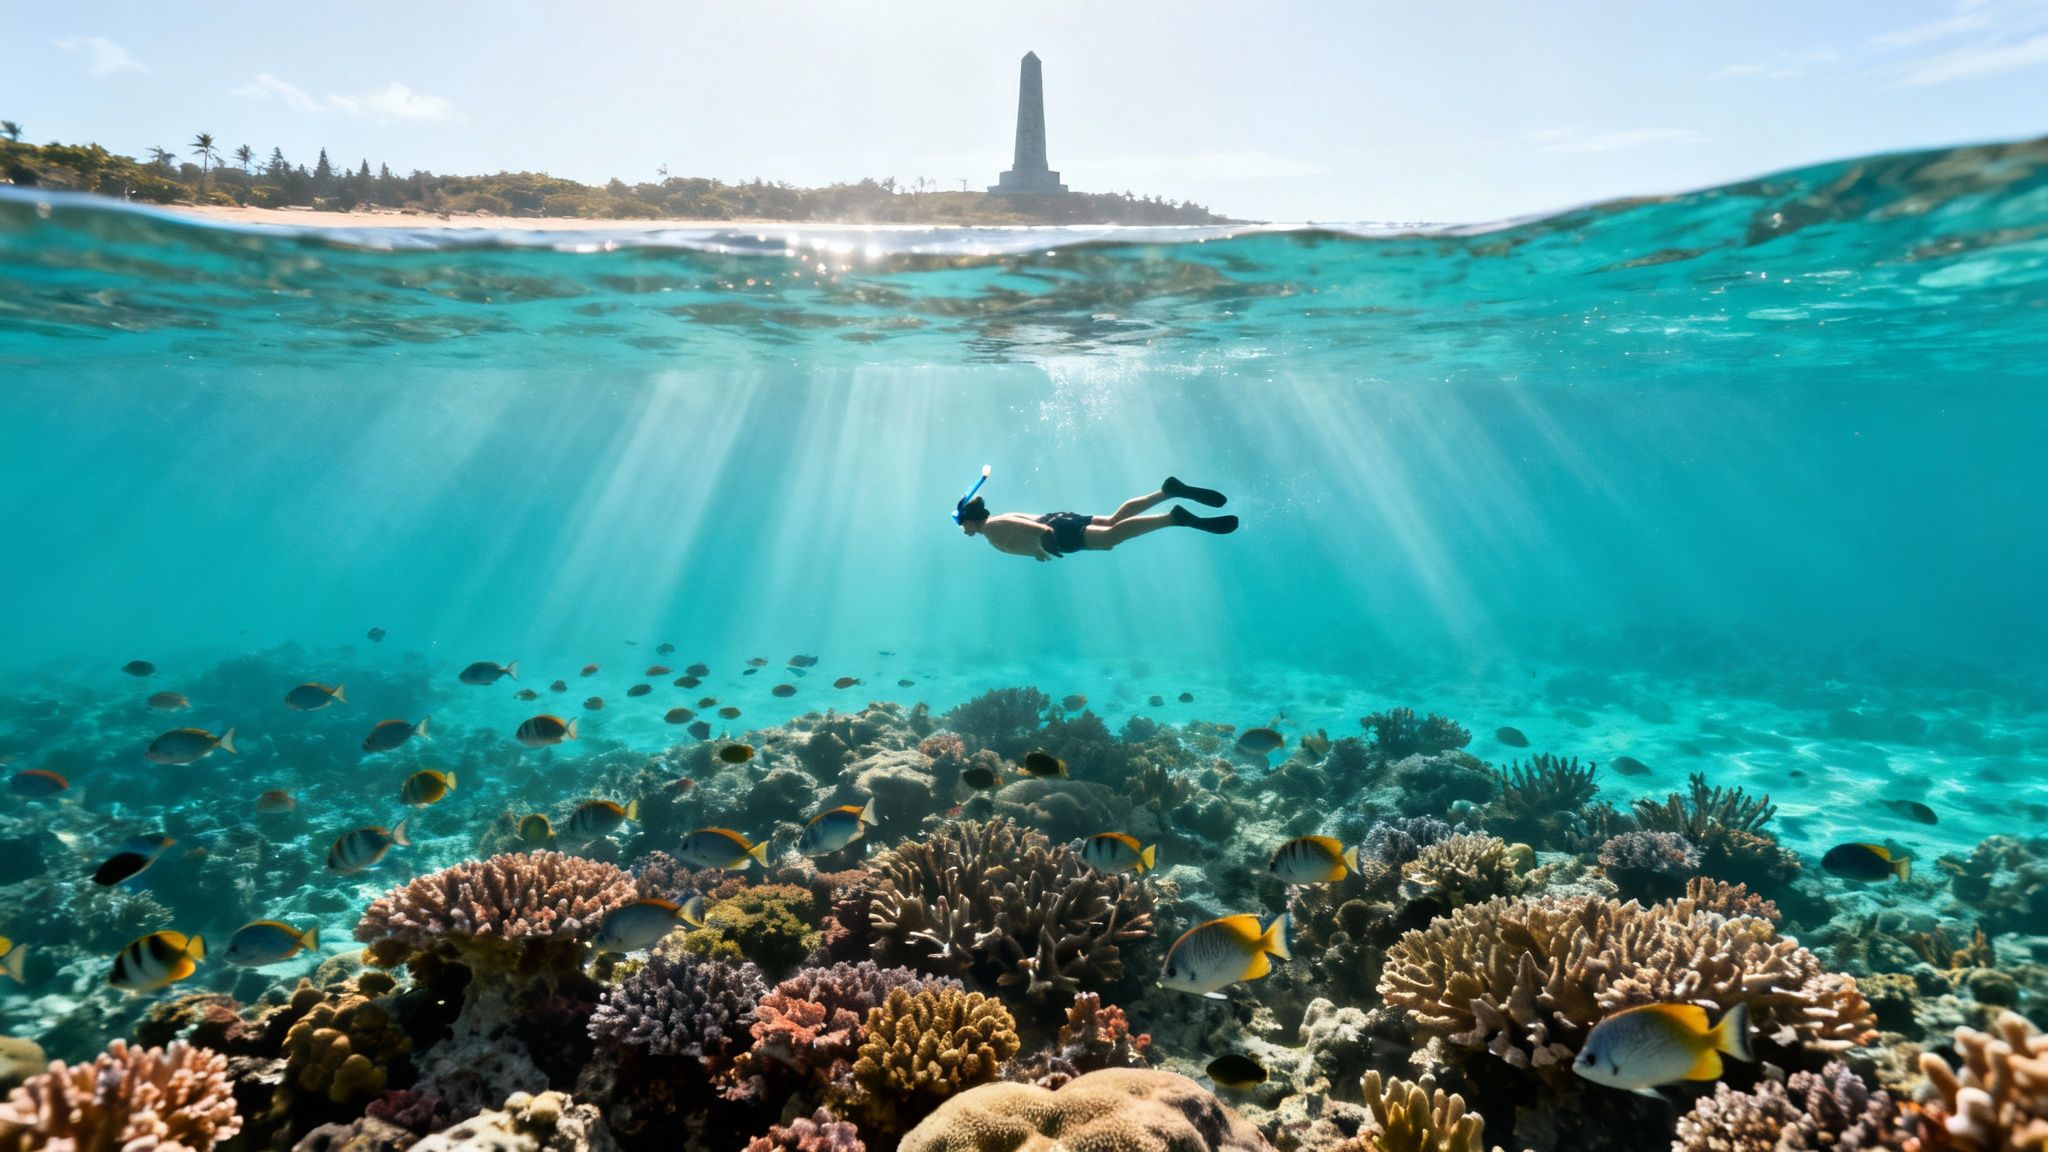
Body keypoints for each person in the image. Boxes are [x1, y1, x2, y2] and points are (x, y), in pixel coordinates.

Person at [954, 470, 1238, 561]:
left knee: (1110, 538)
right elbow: (1029, 528)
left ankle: (1173, 518)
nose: (960, 527)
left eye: (959, 521)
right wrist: (1038, 547)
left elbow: (1031, 529)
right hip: (1058, 520)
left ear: (970, 518)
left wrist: (1043, 544)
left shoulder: (991, 527)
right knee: (1113, 520)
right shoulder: (994, 523)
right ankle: (1166, 491)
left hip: (1057, 531)